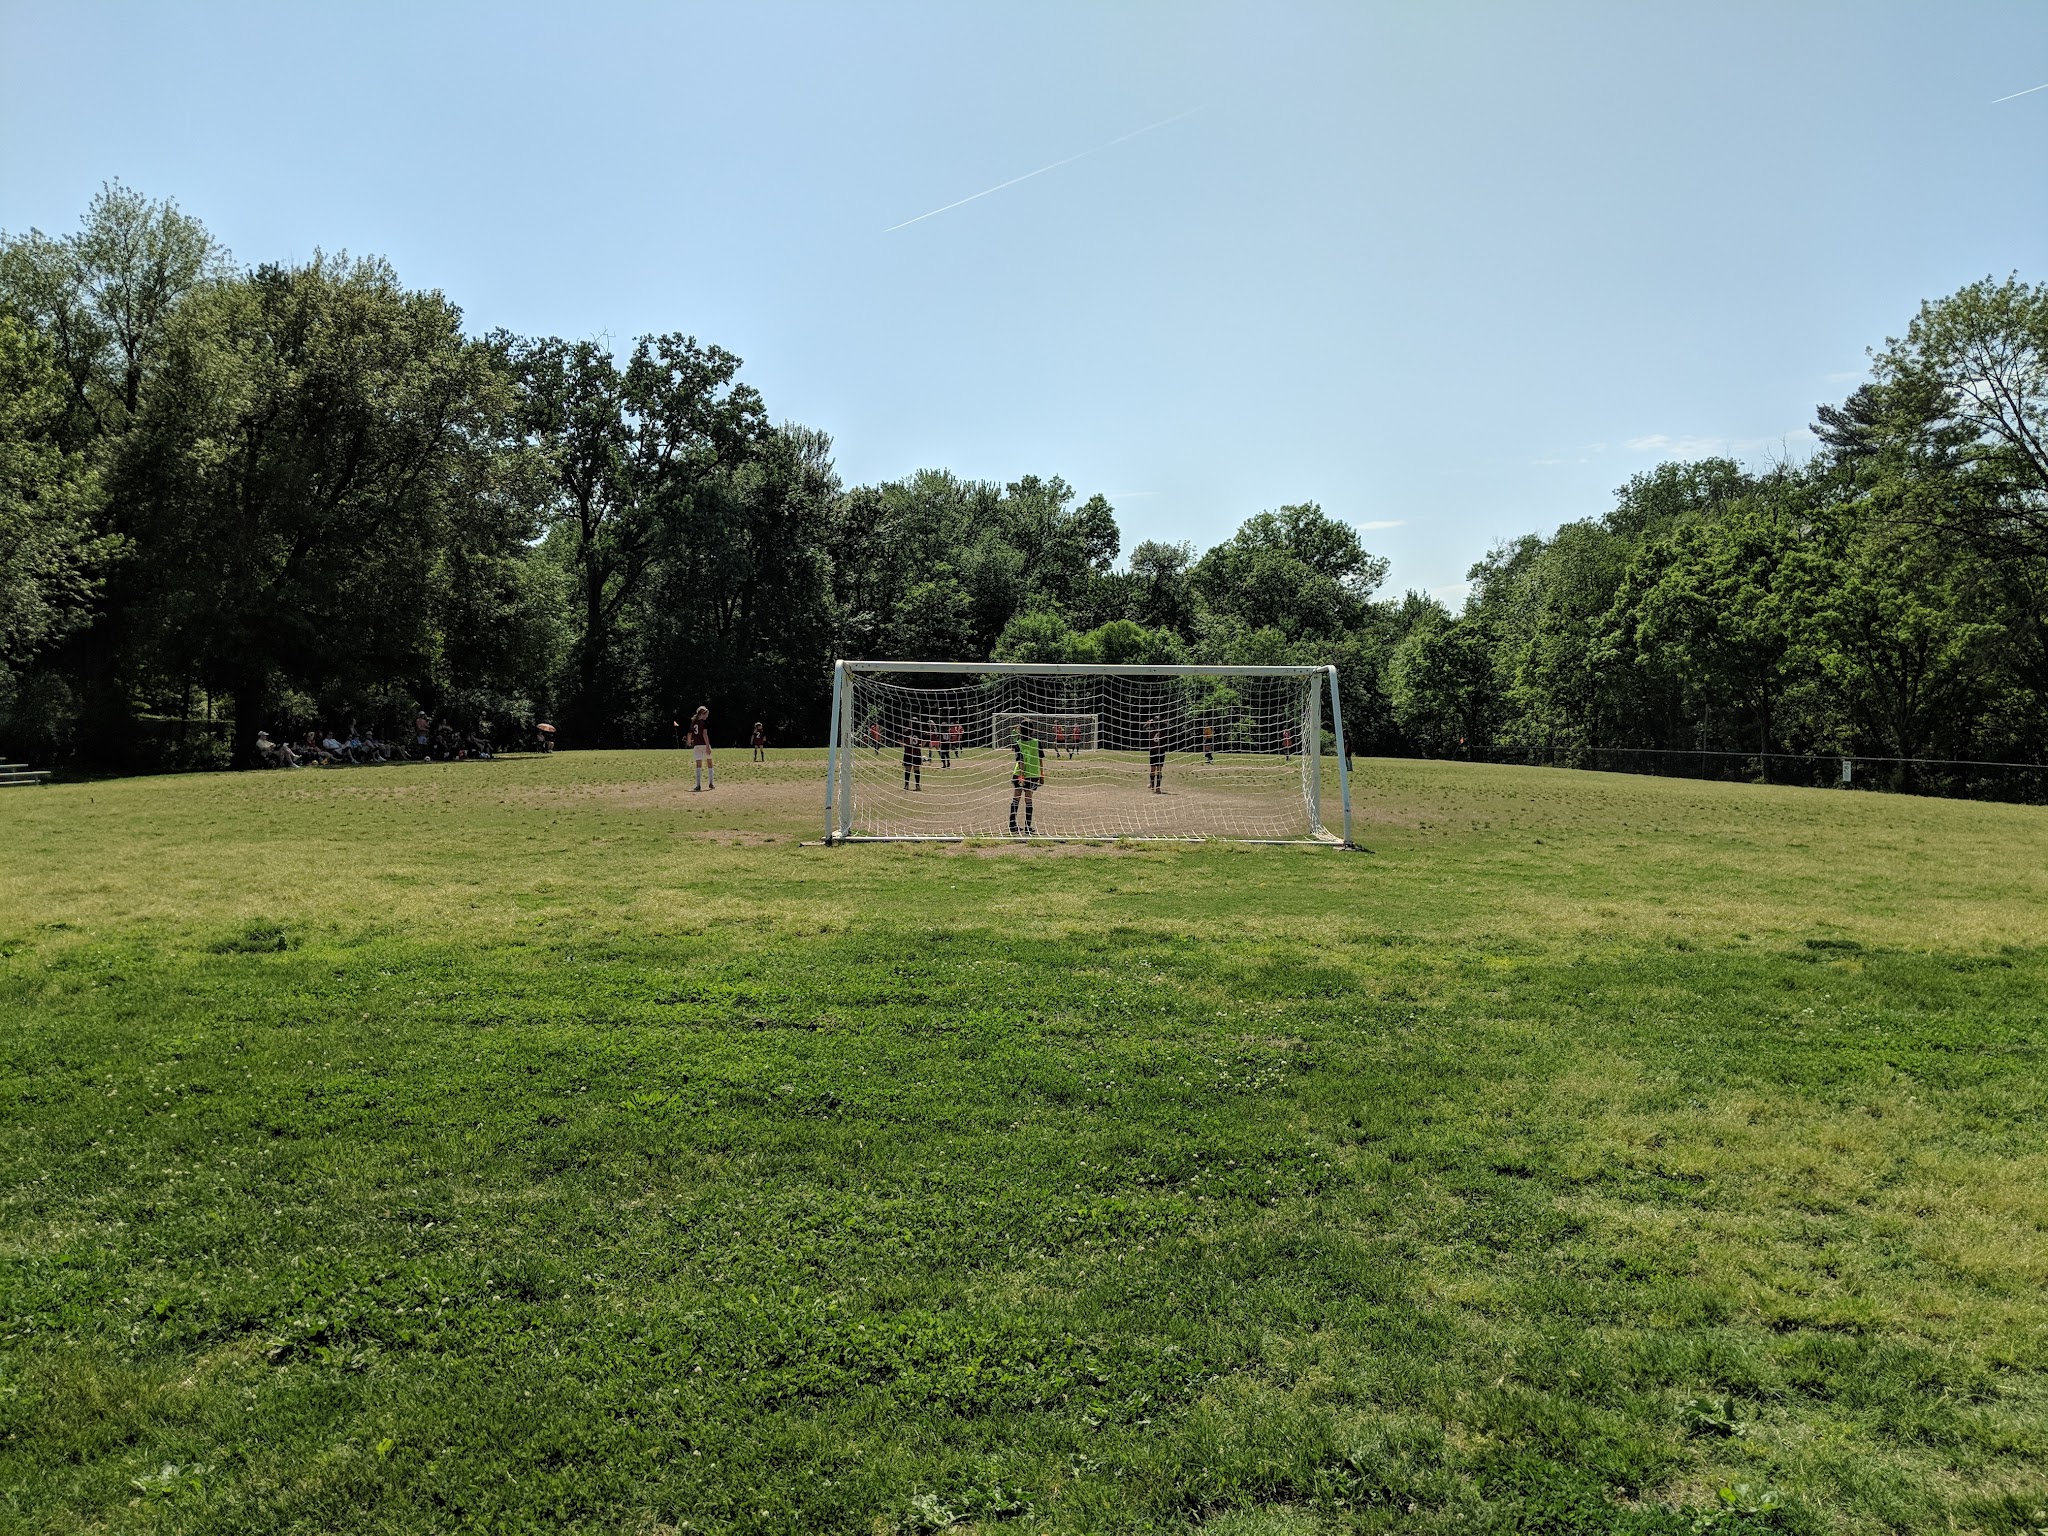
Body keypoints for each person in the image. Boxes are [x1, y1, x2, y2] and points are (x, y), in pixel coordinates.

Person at [1009, 724, 1045, 836]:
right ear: (1032, 730)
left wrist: (1020, 775)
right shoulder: (1037, 742)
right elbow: (1040, 760)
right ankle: (1028, 826)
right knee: (1028, 800)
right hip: (1031, 774)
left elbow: (1020, 761)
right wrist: (1041, 775)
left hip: (1019, 775)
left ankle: (1012, 825)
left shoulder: (1018, 743)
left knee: (1016, 799)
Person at [688, 705, 714, 790]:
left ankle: (698, 785)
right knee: (709, 763)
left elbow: (690, 733)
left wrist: (689, 741)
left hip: (696, 745)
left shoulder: (693, 722)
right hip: (703, 744)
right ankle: (711, 783)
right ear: (702, 714)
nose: (707, 716)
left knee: (698, 765)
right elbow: (704, 734)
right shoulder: (703, 722)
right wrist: (707, 746)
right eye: (706, 714)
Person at [1147, 718, 1165, 793]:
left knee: (1158, 769)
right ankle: (1153, 785)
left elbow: (1169, 726)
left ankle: (1157, 787)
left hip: (1160, 751)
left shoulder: (1162, 730)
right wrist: (1148, 723)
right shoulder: (1151, 730)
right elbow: (1143, 728)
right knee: (1154, 769)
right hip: (1154, 751)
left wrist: (1163, 722)